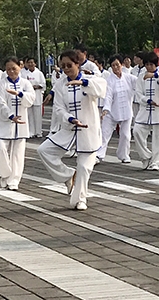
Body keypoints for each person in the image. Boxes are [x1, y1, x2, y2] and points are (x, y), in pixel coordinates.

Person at [37, 50, 107, 210]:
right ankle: (68, 175)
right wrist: (70, 119)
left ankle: (81, 198)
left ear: (78, 64)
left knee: (84, 167)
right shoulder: (60, 84)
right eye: (63, 66)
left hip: (88, 130)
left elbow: (101, 89)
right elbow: (59, 108)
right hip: (69, 128)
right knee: (44, 150)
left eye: (70, 65)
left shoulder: (91, 79)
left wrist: (84, 84)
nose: (66, 69)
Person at [0, 57, 36, 191]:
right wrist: (10, 116)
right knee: (0, 148)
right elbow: (0, 103)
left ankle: (14, 180)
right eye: (8, 69)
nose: (11, 71)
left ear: (20, 67)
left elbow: (31, 99)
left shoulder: (25, 83)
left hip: (21, 123)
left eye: (14, 68)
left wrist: (20, 94)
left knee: (18, 154)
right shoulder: (1, 84)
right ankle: (5, 174)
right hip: (3, 123)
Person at [132, 52, 159, 170]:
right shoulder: (141, 76)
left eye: (151, 64)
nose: (149, 67)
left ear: (156, 64)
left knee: (158, 139)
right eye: (147, 65)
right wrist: (148, 100)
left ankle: (156, 162)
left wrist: (154, 76)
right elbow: (138, 93)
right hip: (145, 110)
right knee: (137, 131)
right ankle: (146, 156)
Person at [97, 54, 137, 162]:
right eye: (113, 65)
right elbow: (108, 96)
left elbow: (140, 83)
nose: (115, 67)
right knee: (105, 133)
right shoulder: (109, 80)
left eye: (117, 65)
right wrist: (106, 109)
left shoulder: (129, 77)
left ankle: (124, 155)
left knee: (126, 135)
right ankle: (99, 155)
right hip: (111, 112)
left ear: (122, 65)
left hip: (127, 111)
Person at [21, 58, 45, 138]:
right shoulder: (23, 73)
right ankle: (31, 132)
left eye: (32, 62)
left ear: (35, 64)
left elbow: (43, 84)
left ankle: (38, 132)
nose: (30, 64)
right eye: (29, 63)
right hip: (28, 96)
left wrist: (37, 86)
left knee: (37, 115)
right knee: (29, 115)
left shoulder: (39, 73)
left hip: (37, 96)